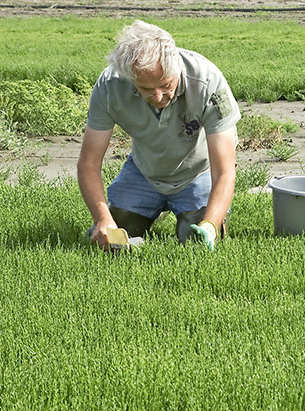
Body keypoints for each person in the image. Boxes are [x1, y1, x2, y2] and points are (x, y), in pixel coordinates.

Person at [78, 20, 240, 252]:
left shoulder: (208, 81)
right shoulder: (109, 85)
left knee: (194, 241)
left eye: (166, 85)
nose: (158, 96)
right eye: (145, 89)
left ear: (176, 67)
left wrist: (211, 226)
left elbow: (225, 169)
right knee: (117, 230)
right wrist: (102, 219)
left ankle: (202, 218)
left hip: (198, 171)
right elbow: (88, 163)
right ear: (129, 78)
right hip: (145, 170)